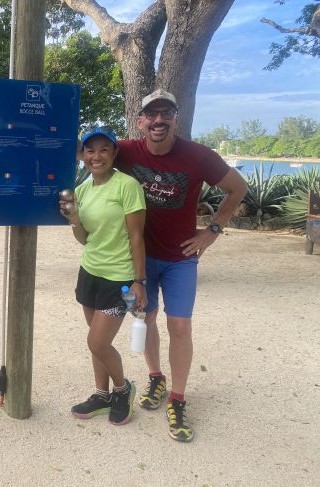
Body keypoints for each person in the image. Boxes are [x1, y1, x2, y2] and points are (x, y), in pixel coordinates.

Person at [115, 89, 248, 442]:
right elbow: (83, 154)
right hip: (140, 257)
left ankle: (177, 397)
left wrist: (212, 231)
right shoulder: (125, 151)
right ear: (140, 121)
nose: (159, 120)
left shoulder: (199, 156)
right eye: (152, 114)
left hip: (179, 259)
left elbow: (238, 188)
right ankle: (155, 376)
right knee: (146, 318)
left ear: (176, 118)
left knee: (180, 327)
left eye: (166, 113)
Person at [61, 126, 147, 426]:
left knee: (98, 343)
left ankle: (123, 389)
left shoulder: (127, 186)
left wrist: (139, 281)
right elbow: (85, 239)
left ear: (114, 153)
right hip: (90, 272)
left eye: (103, 149)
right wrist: (74, 219)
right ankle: (101, 393)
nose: (96, 156)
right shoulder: (83, 190)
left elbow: (137, 237)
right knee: (93, 340)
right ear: (83, 155)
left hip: (118, 278)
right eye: (90, 150)